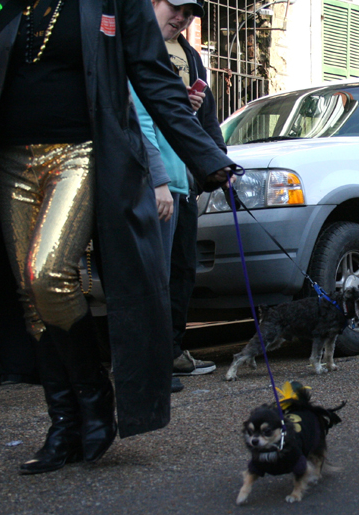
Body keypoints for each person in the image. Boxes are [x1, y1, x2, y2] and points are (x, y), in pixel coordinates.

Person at [0, 0, 236, 474]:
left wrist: (207, 156)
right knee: (30, 295)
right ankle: (63, 424)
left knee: (48, 274)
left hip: (79, 151)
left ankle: (94, 394)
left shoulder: (114, 3)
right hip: (8, 158)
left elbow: (154, 78)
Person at [134, 0, 224, 393]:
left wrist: (214, 165)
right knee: (152, 278)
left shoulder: (190, 56)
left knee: (179, 272)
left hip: (180, 181)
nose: (182, 18)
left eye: (188, 14)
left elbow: (201, 120)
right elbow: (140, 119)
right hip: (155, 183)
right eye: (176, 8)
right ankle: (150, 363)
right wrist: (158, 181)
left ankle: (168, 353)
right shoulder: (136, 47)